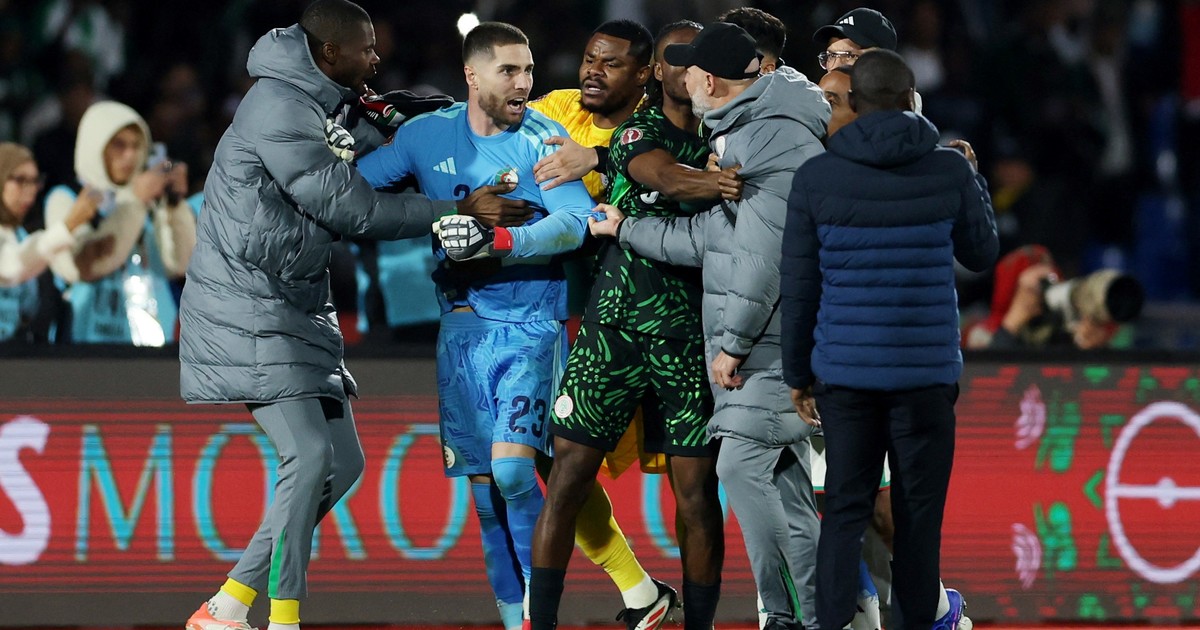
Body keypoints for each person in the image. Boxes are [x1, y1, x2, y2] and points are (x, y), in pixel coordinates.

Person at [178, 2, 504, 629]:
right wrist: (448, 211)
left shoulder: (321, 101)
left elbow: (364, 146)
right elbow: (350, 210)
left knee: (343, 461)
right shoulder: (278, 107)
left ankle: (226, 606)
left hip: (294, 303)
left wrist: (424, 116)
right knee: (305, 454)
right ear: (329, 53)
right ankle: (282, 618)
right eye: (367, 49)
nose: (376, 59)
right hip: (248, 303)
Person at [354, 21, 615, 630]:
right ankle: (515, 620)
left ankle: (540, 615)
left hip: (529, 326)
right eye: (509, 71)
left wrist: (498, 239)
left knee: (514, 472)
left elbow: (579, 222)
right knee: (483, 496)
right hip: (462, 330)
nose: (525, 83)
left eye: (528, 69)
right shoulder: (424, 137)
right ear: (472, 75)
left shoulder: (544, 141)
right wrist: (439, 213)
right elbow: (354, 192)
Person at [585, 21, 830, 630]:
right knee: (789, 491)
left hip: (768, 346)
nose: (679, 75)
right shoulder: (744, 129)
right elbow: (712, 240)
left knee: (738, 469)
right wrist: (627, 228)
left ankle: (792, 613)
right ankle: (821, 612)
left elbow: (762, 259)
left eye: (689, 66)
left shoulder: (767, 137)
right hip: (767, 344)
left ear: (710, 81)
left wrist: (733, 345)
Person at [525, 21, 741, 630]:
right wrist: (733, 185)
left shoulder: (733, 136)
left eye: (695, 60)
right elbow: (666, 178)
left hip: (692, 339)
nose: (688, 70)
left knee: (697, 498)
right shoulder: (636, 132)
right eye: (676, 59)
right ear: (659, 74)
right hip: (613, 328)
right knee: (566, 480)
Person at [781, 50, 997, 630]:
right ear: (911, 100)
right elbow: (981, 254)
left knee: (845, 514)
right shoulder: (948, 170)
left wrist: (797, 374)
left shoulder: (816, 176)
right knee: (918, 518)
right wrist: (971, 178)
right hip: (925, 378)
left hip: (845, 379)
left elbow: (799, 286)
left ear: (852, 103)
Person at [43, 100, 195, 345]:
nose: (130, 156)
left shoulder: (146, 197)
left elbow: (179, 265)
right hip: (84, 350)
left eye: (137, 146)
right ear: (96, 145)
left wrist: (174, 204)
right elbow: (84, 267)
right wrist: (135, 202)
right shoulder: (67, 199)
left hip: (153, 347)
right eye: (119, 145)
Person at [0, 142, 99, 341]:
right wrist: (68, 225)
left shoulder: (20, 235)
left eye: (35, 181)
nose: (30, 190)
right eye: (20, 180)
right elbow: (11, 265)